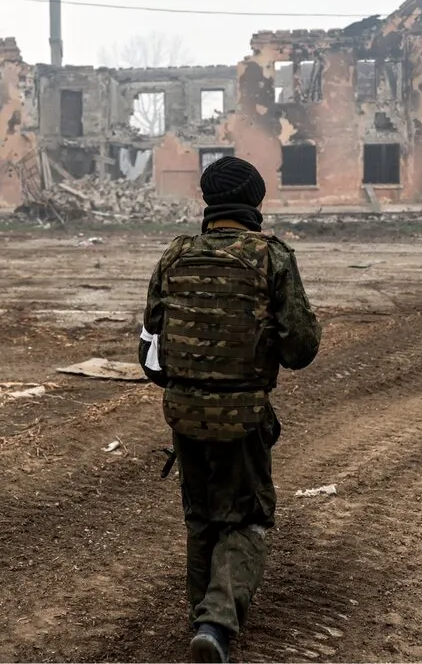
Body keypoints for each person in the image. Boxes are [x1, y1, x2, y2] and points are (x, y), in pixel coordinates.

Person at [138, 156, 321, 663]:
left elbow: (149, 353)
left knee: (201, 519)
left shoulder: (174, 258)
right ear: (255, 204)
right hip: (243, 418)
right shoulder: (272, 258)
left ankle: (202, 616)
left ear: (208, 202)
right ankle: (216, 624)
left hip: (184, 414)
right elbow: (301, 349)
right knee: (248, 518)